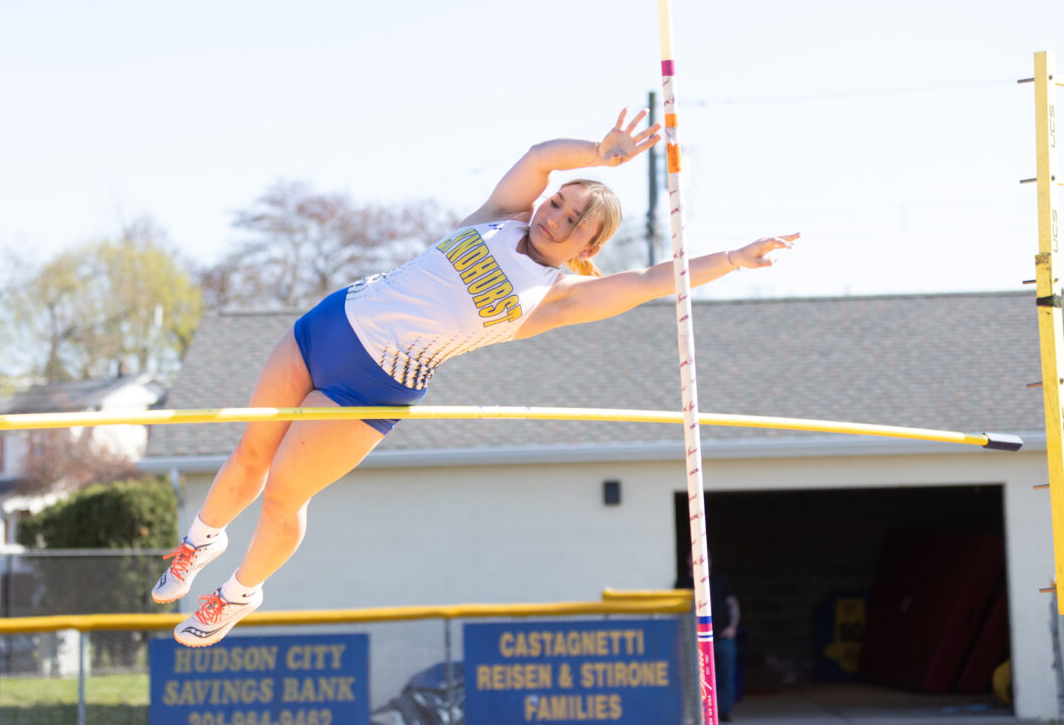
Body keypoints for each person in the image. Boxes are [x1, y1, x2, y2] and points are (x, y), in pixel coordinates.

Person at [152, 108, 799, 647]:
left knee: (283, 497)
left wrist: (734, 258)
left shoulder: (555, 297)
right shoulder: (501, 214)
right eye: (559, 202)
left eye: (575, 221)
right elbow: (540, 156)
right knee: (251, 451)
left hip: (371, 386)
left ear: (589, 248)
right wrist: (599, 153)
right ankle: (199, 542)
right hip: (328, 324)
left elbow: (654, 280)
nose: (556, 216)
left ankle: (238, 594)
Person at [677, 553, 742, 721]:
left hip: (722, 637)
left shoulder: (720, 580)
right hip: (695, 641)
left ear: (711, 561)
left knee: (726, 675)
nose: (698, 561)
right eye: (693, 558)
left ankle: (723, 711)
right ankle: (700, 712)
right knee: (695, 677)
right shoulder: (682, 583)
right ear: (688, 561)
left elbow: (732, 604)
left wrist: (732, 627)